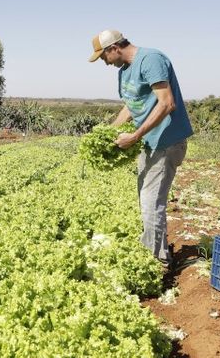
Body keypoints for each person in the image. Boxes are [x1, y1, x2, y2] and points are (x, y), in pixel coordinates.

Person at [88, 30, 193, 270]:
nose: (104, 62)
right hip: (149, 142)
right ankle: (155, 249)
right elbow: (131, 105)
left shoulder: (151, 60)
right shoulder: (125, 71)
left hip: (166, 141)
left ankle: (157, 262)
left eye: (103, 56)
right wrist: (110, 131)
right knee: (146, 198)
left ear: (114, 48)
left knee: (151, 201)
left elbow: (167, 103)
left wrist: (135, 135)